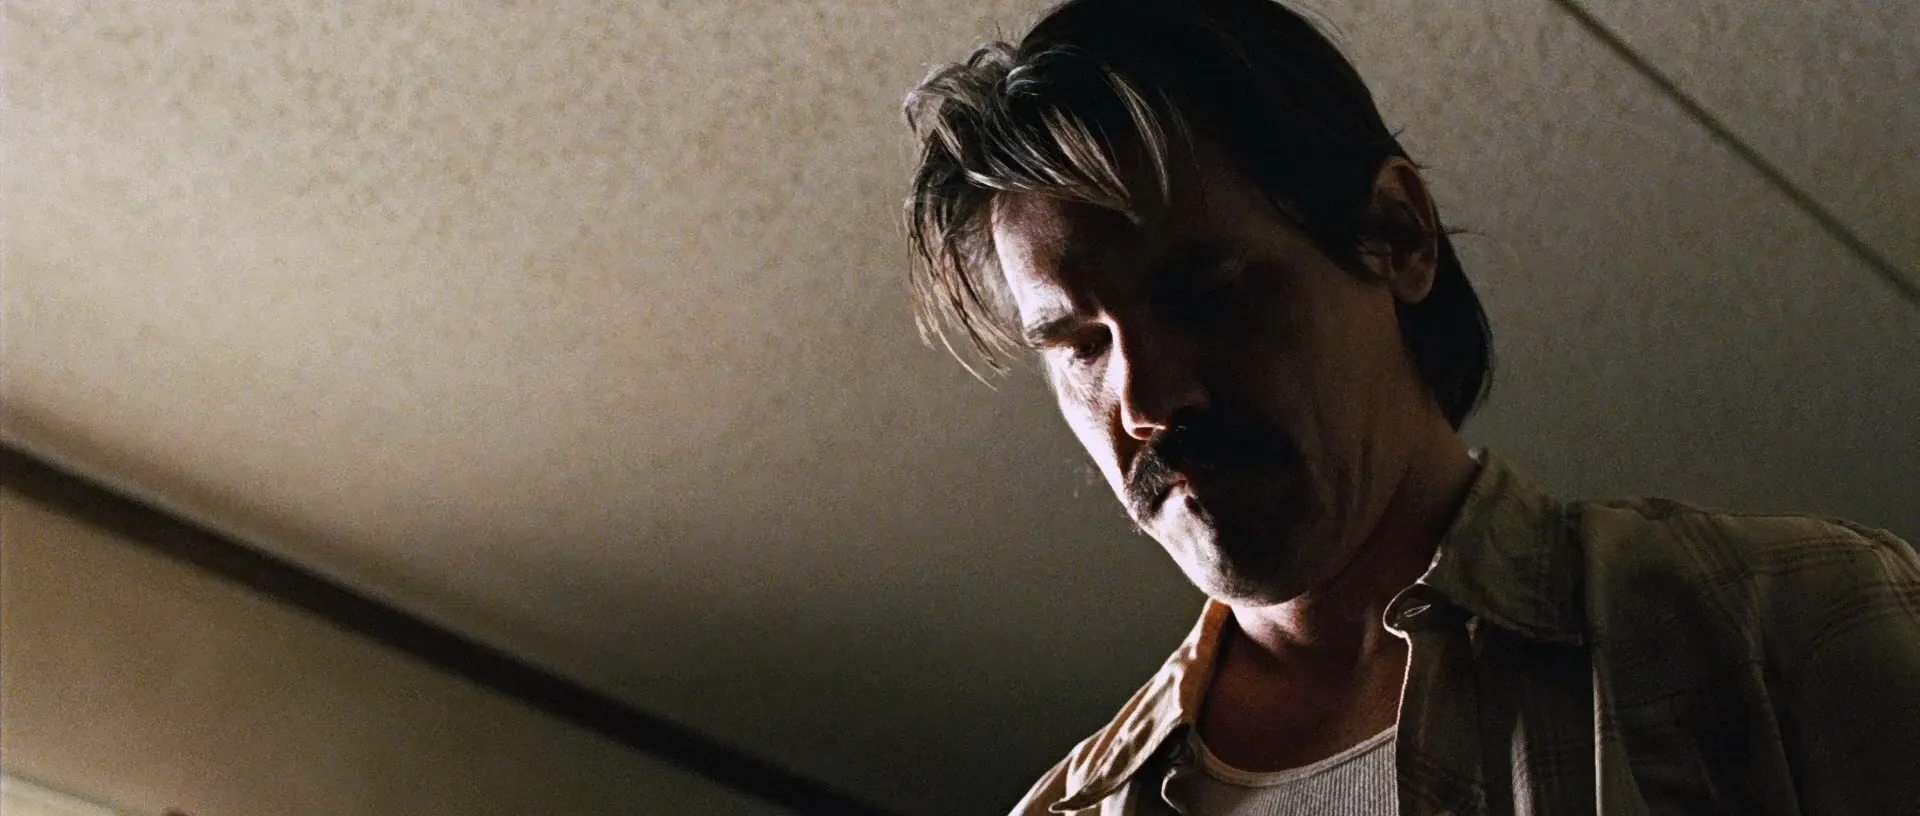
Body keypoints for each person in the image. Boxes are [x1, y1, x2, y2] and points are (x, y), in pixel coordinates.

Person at [898, 1, 1920, 814]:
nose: (1147, 402)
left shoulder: (1792, 627)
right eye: (1081, 346)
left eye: (1207, 293)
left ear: (1398, 234)